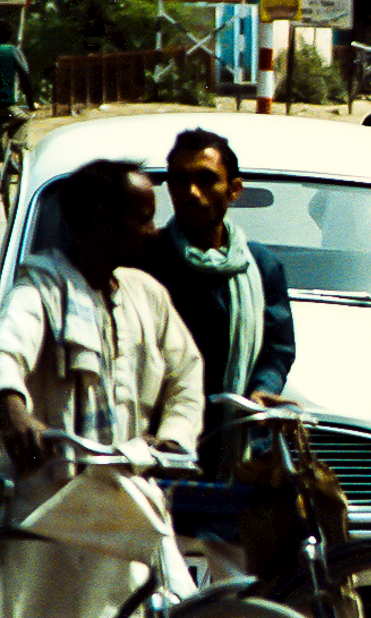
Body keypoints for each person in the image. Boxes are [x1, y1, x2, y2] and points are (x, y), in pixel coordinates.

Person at [0, 160, 204, 618]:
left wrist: (173, 435)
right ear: (98, 220)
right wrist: (14, 412)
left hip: (122, 500)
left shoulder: (145, 295)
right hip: (51, 508)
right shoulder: (39, 292)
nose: (154, 232)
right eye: (142, 218)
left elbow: (186, 372)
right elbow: (4, 354)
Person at [142, 130, 295, 476]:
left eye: (206, 179)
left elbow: (277, 350)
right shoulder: (145, 260)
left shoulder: (261, 267)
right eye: (180, 180)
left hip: (236, 440)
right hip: (156, 445)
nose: (191, 193)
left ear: (234, 189)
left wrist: (262, 392)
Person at [0, 18, 34, 126]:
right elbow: (25, 77)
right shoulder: (12, 50)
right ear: (9, 36)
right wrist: (30, 103)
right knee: (23, 119)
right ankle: (18, 143)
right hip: (5, 105)